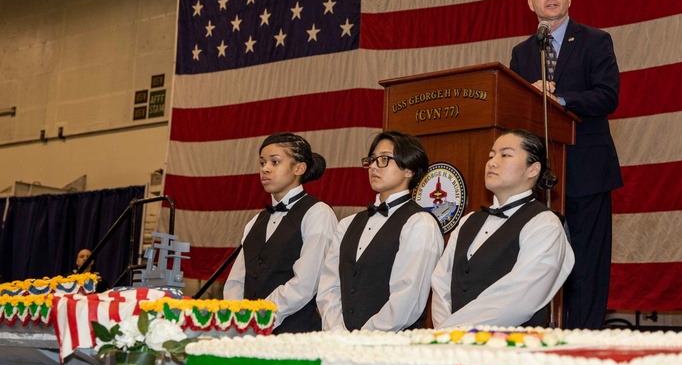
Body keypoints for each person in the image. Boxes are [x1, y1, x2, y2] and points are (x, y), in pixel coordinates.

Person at [509, 0, 622, 330]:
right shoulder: (522, 53)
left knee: (588, 260)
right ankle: (542, 332)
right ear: (530, 2)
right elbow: (515, 110)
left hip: (586, 169)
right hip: (538, 175)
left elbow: (608, 97)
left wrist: (561, 97)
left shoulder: (594, 40)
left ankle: (584, 336)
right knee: (538, 258)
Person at [431, 129, 574, 328]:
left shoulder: (544, 224)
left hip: (511, 349)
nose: (492, 162)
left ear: (533, 169)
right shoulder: (468, 221)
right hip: (453, 346)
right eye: (491, 155)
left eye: (505, 155)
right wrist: (443, 331)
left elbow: (520, 297)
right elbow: (441, 283)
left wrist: (452, 330)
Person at [318, 131, 444, 331]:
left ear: (409, 170)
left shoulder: (420, 224)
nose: (374, 166)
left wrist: (364, 338)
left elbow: (408, 298)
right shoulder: (347, 224)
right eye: (372, 159)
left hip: (392, 348)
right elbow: (328, 287)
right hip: (340, 343)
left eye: (384, 159)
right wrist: (337, 332)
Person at [223, 132, 337, 333]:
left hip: (295, 334)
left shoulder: (317, 213)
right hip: (249, 332)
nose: (265, 168)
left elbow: (306, 283)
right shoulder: (255, 221)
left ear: (299, 168)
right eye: (262, 163)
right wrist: (239, 316)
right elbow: (237, 279)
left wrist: (262, 316)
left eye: (275, 162)